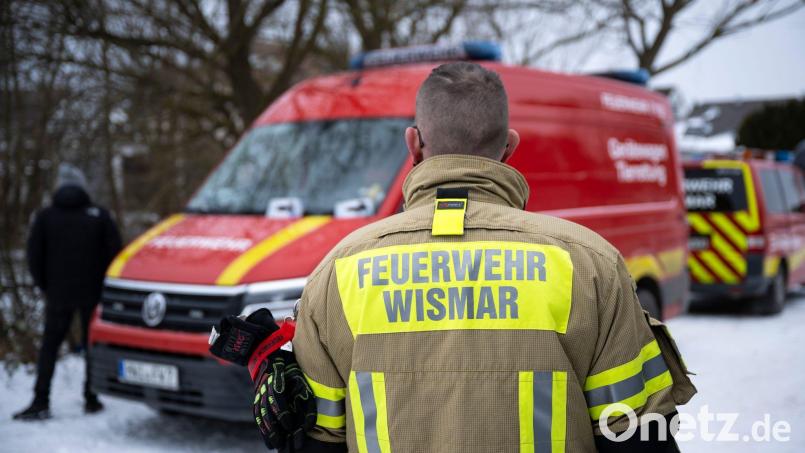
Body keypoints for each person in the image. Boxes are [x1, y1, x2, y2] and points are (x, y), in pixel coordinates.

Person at [215, 62, 696, 452]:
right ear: (509, 146)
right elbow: (638, 436)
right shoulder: (590, 265)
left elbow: (317, 440)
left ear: (413, 144)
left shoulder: (339, 271)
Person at [13, 164, 122, 421]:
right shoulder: (99, 215)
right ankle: (91, 397)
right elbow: (115, 255)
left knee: (49, 347)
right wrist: (103, 288)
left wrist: (46, 286)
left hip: (58, 294)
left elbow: (34, 257)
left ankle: (40, 401)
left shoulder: (46, 216)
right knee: (91, 345)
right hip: (93, 294)